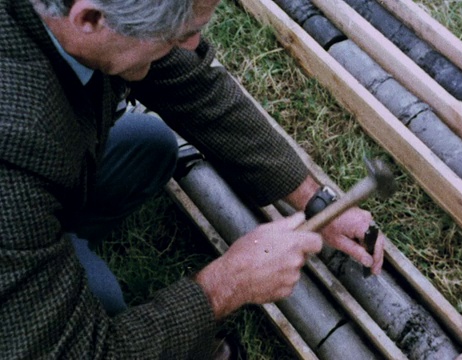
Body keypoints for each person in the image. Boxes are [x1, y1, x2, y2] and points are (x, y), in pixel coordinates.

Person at [0, 0, 385, 358]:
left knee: (149, 147)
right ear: (90, 20)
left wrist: (315, 199)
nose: (194, 43)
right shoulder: (16, 140)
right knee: (104, 301)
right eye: (179, 34)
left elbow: (193, 86)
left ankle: (40, 238)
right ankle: (34, 255)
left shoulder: (98, 14)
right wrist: (228, 284)